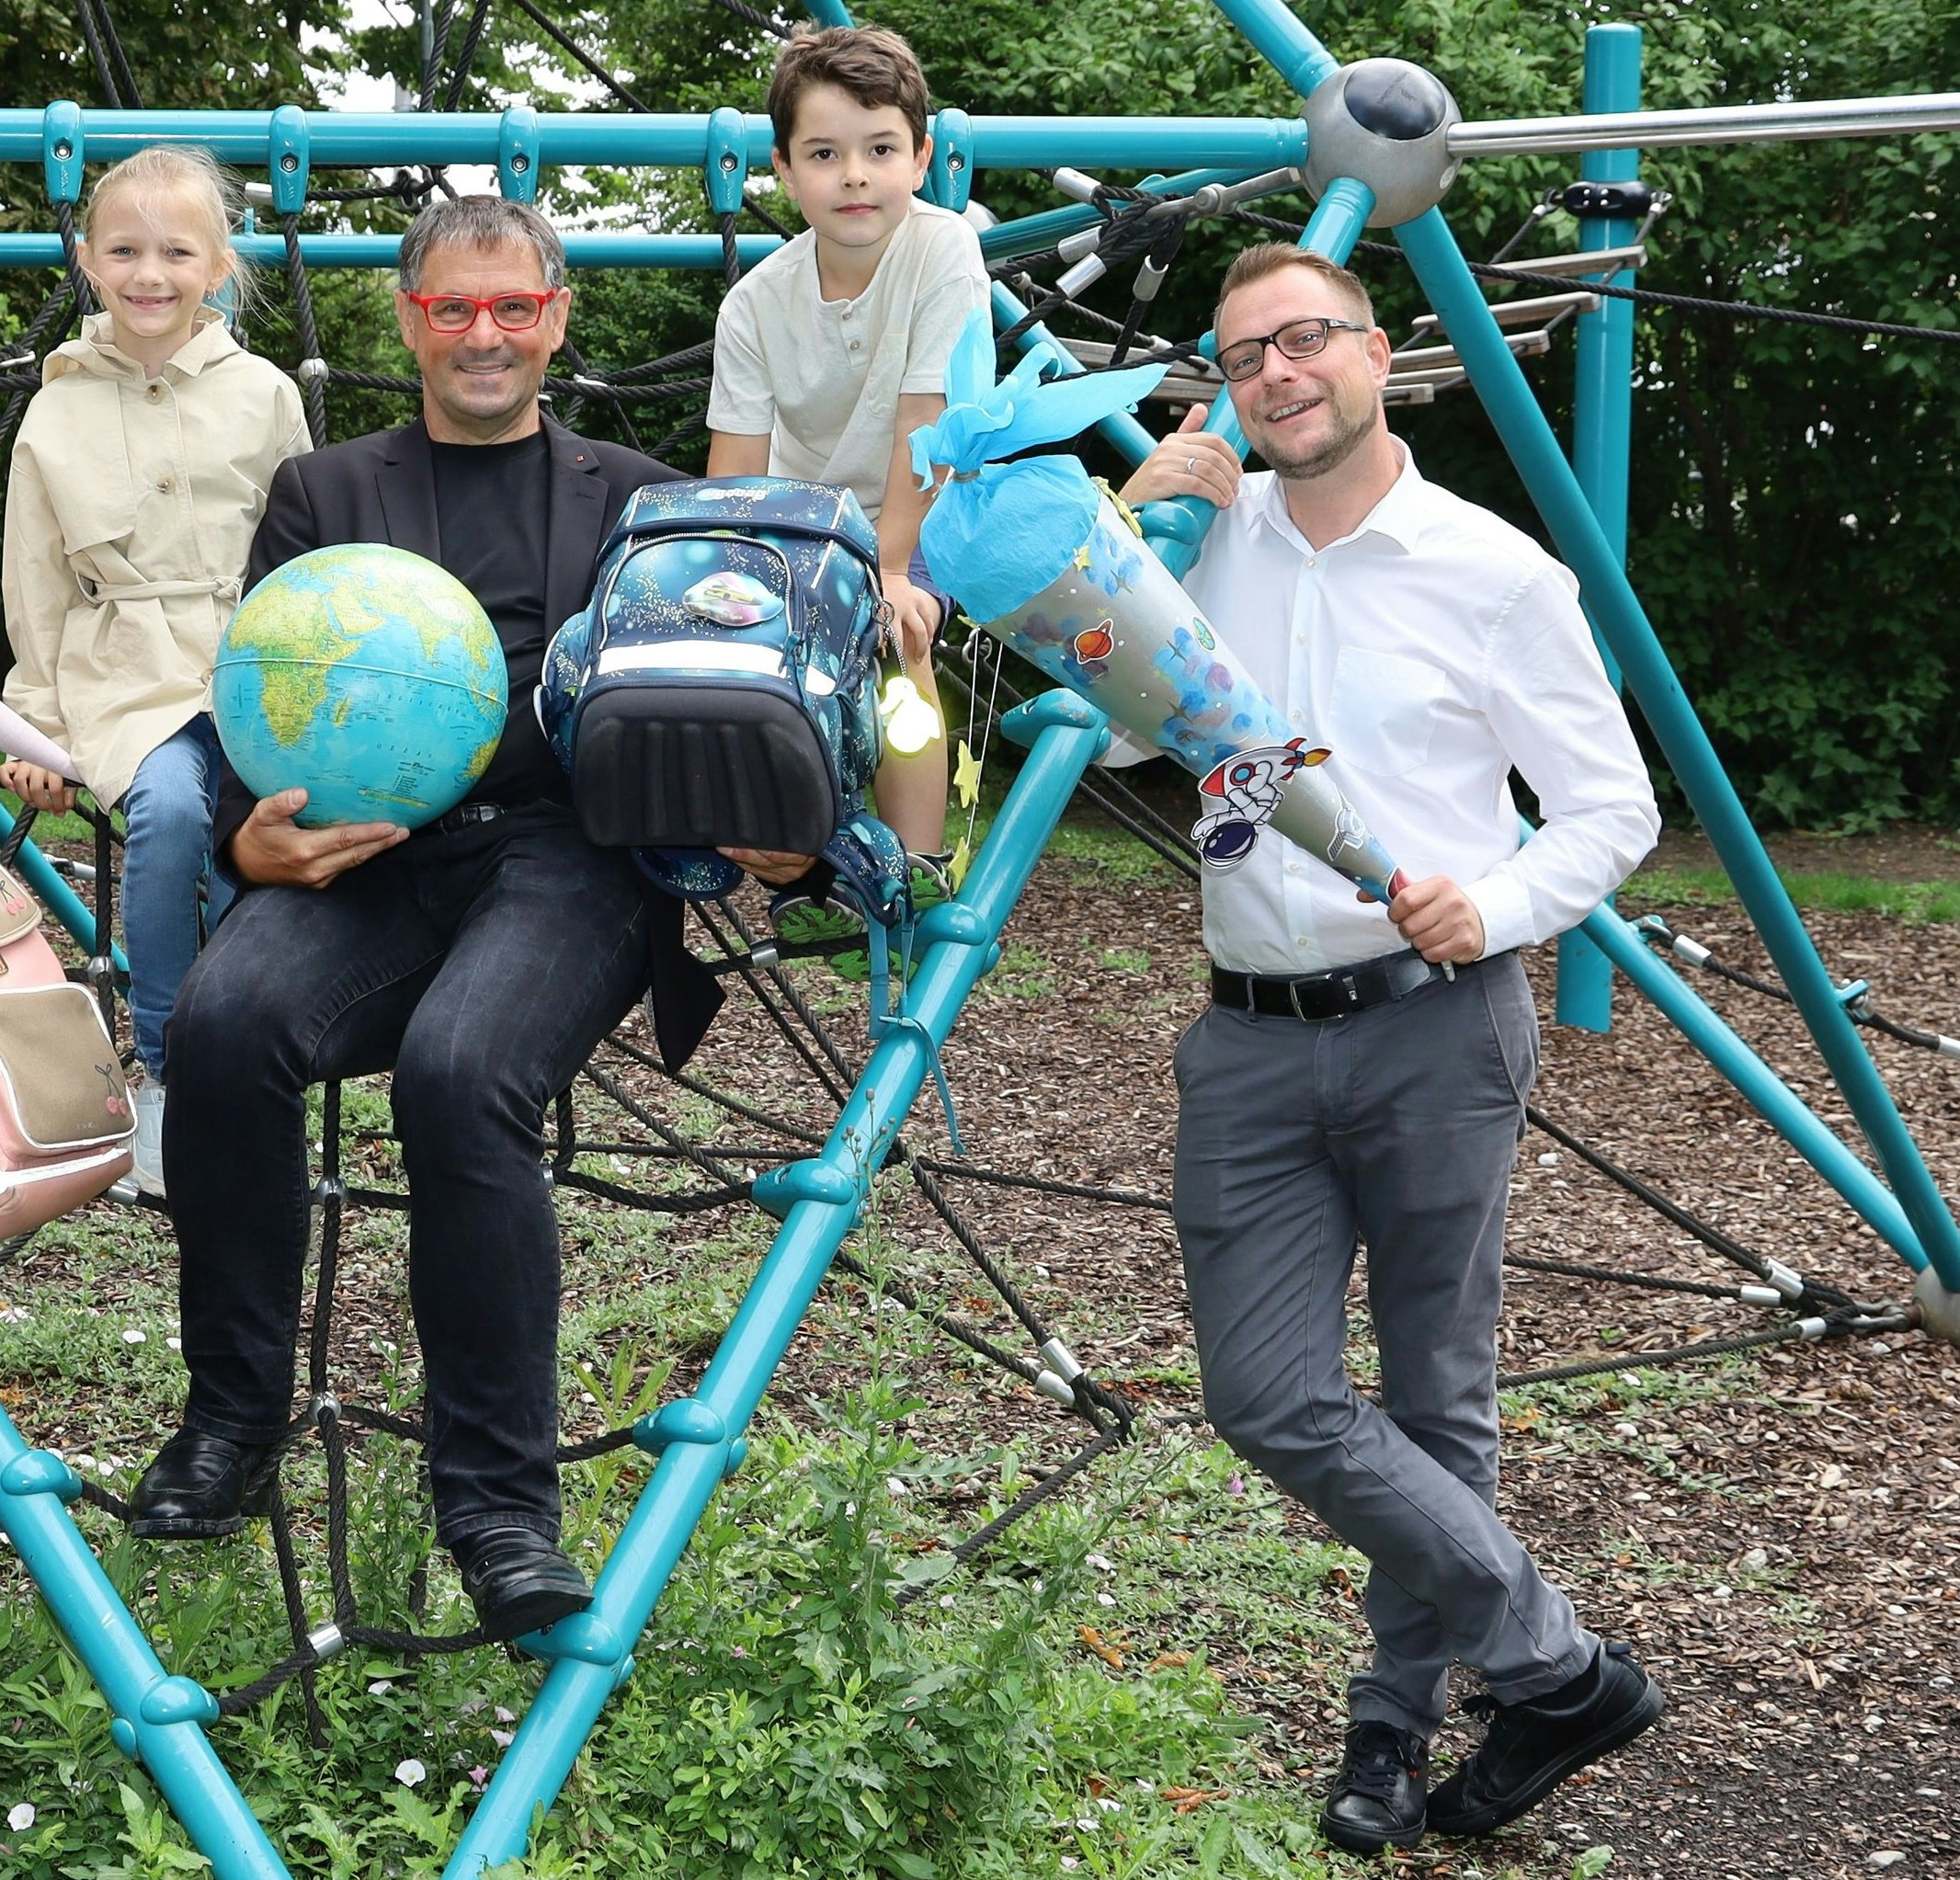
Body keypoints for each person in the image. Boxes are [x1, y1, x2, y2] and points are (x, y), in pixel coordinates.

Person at [1111, 243, 1667, 1855]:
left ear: (1377, 355)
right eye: (1242, 358)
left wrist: (1489, 909)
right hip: (1249, 1035)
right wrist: (1132, 533)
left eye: (1304, 341)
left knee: (1437, 1396)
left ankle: (1390, 1733)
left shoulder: (1493, 571)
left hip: (1436, 1021)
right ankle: (1559, 1667)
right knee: (1267, 1393)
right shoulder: (1206, 547)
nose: (1274, 376)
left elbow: (1613, 808)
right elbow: (1136, 728)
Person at [120, 196, 726, 1643]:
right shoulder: (327, 496)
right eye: (453, 309)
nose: (483, 335)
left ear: (557, 317)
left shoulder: (636, 498)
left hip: (561, 857)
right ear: (408, 321)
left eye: (512, 308)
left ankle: (500, 1508)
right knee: (221, 1020)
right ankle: (234, 1416)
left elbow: (714, 677)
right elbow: (256, 699)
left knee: (463, 1076)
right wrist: (245, 842)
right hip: (363, 856)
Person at [0, 145, 313, 1199]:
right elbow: (34, 576)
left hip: (248, 658)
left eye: (176, 251)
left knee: (256, 835)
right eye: (125, 249)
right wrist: (34, 724)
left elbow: (306, 542)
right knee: (174, 812)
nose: (149, 272)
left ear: (217, 265)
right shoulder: (58, 408)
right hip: (124, 670)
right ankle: (171, 1073)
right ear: (88, 260)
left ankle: (254, 1069)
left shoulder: (263, 394)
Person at [703, 21, 983, 867]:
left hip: (928, 510)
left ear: (921, 157)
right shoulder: (753, 305)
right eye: (823, 154)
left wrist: (892, 570)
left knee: (897, 637)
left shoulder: (943, 248)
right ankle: (786, 837)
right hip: (806, 523)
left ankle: (912, 865)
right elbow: (737, 477)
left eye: (880, 149)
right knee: (746, 642)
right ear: (783, 171)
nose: (855, 175)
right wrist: (729, 580)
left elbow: (925, 421)